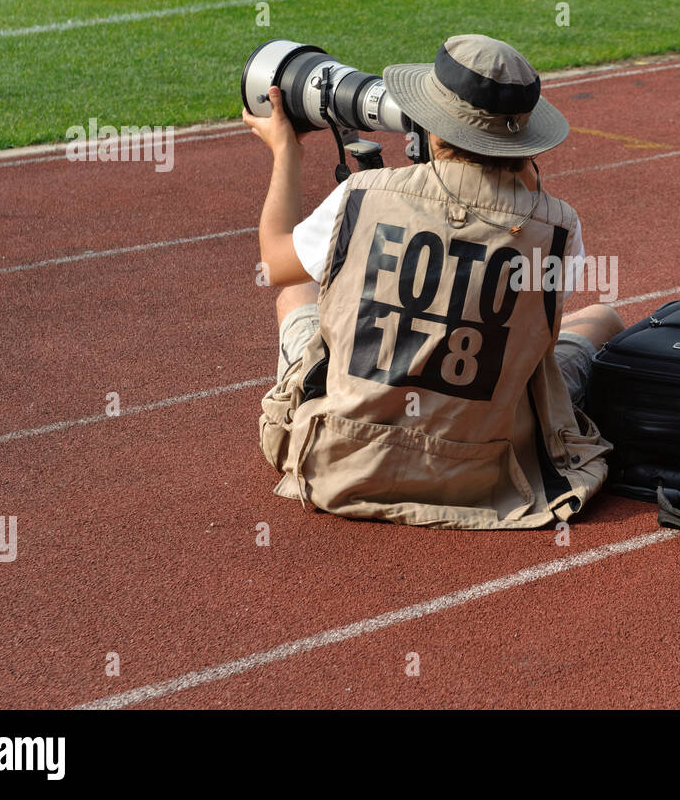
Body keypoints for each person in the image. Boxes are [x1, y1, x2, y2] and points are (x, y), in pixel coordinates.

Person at [244, 33, 624, 528]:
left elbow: (273, 261)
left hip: (347, 457)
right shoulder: (559, 226)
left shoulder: (361, 193)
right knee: (603, 318)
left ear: (433, 127)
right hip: (486, 466)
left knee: (298, 287)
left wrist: (284, 149)